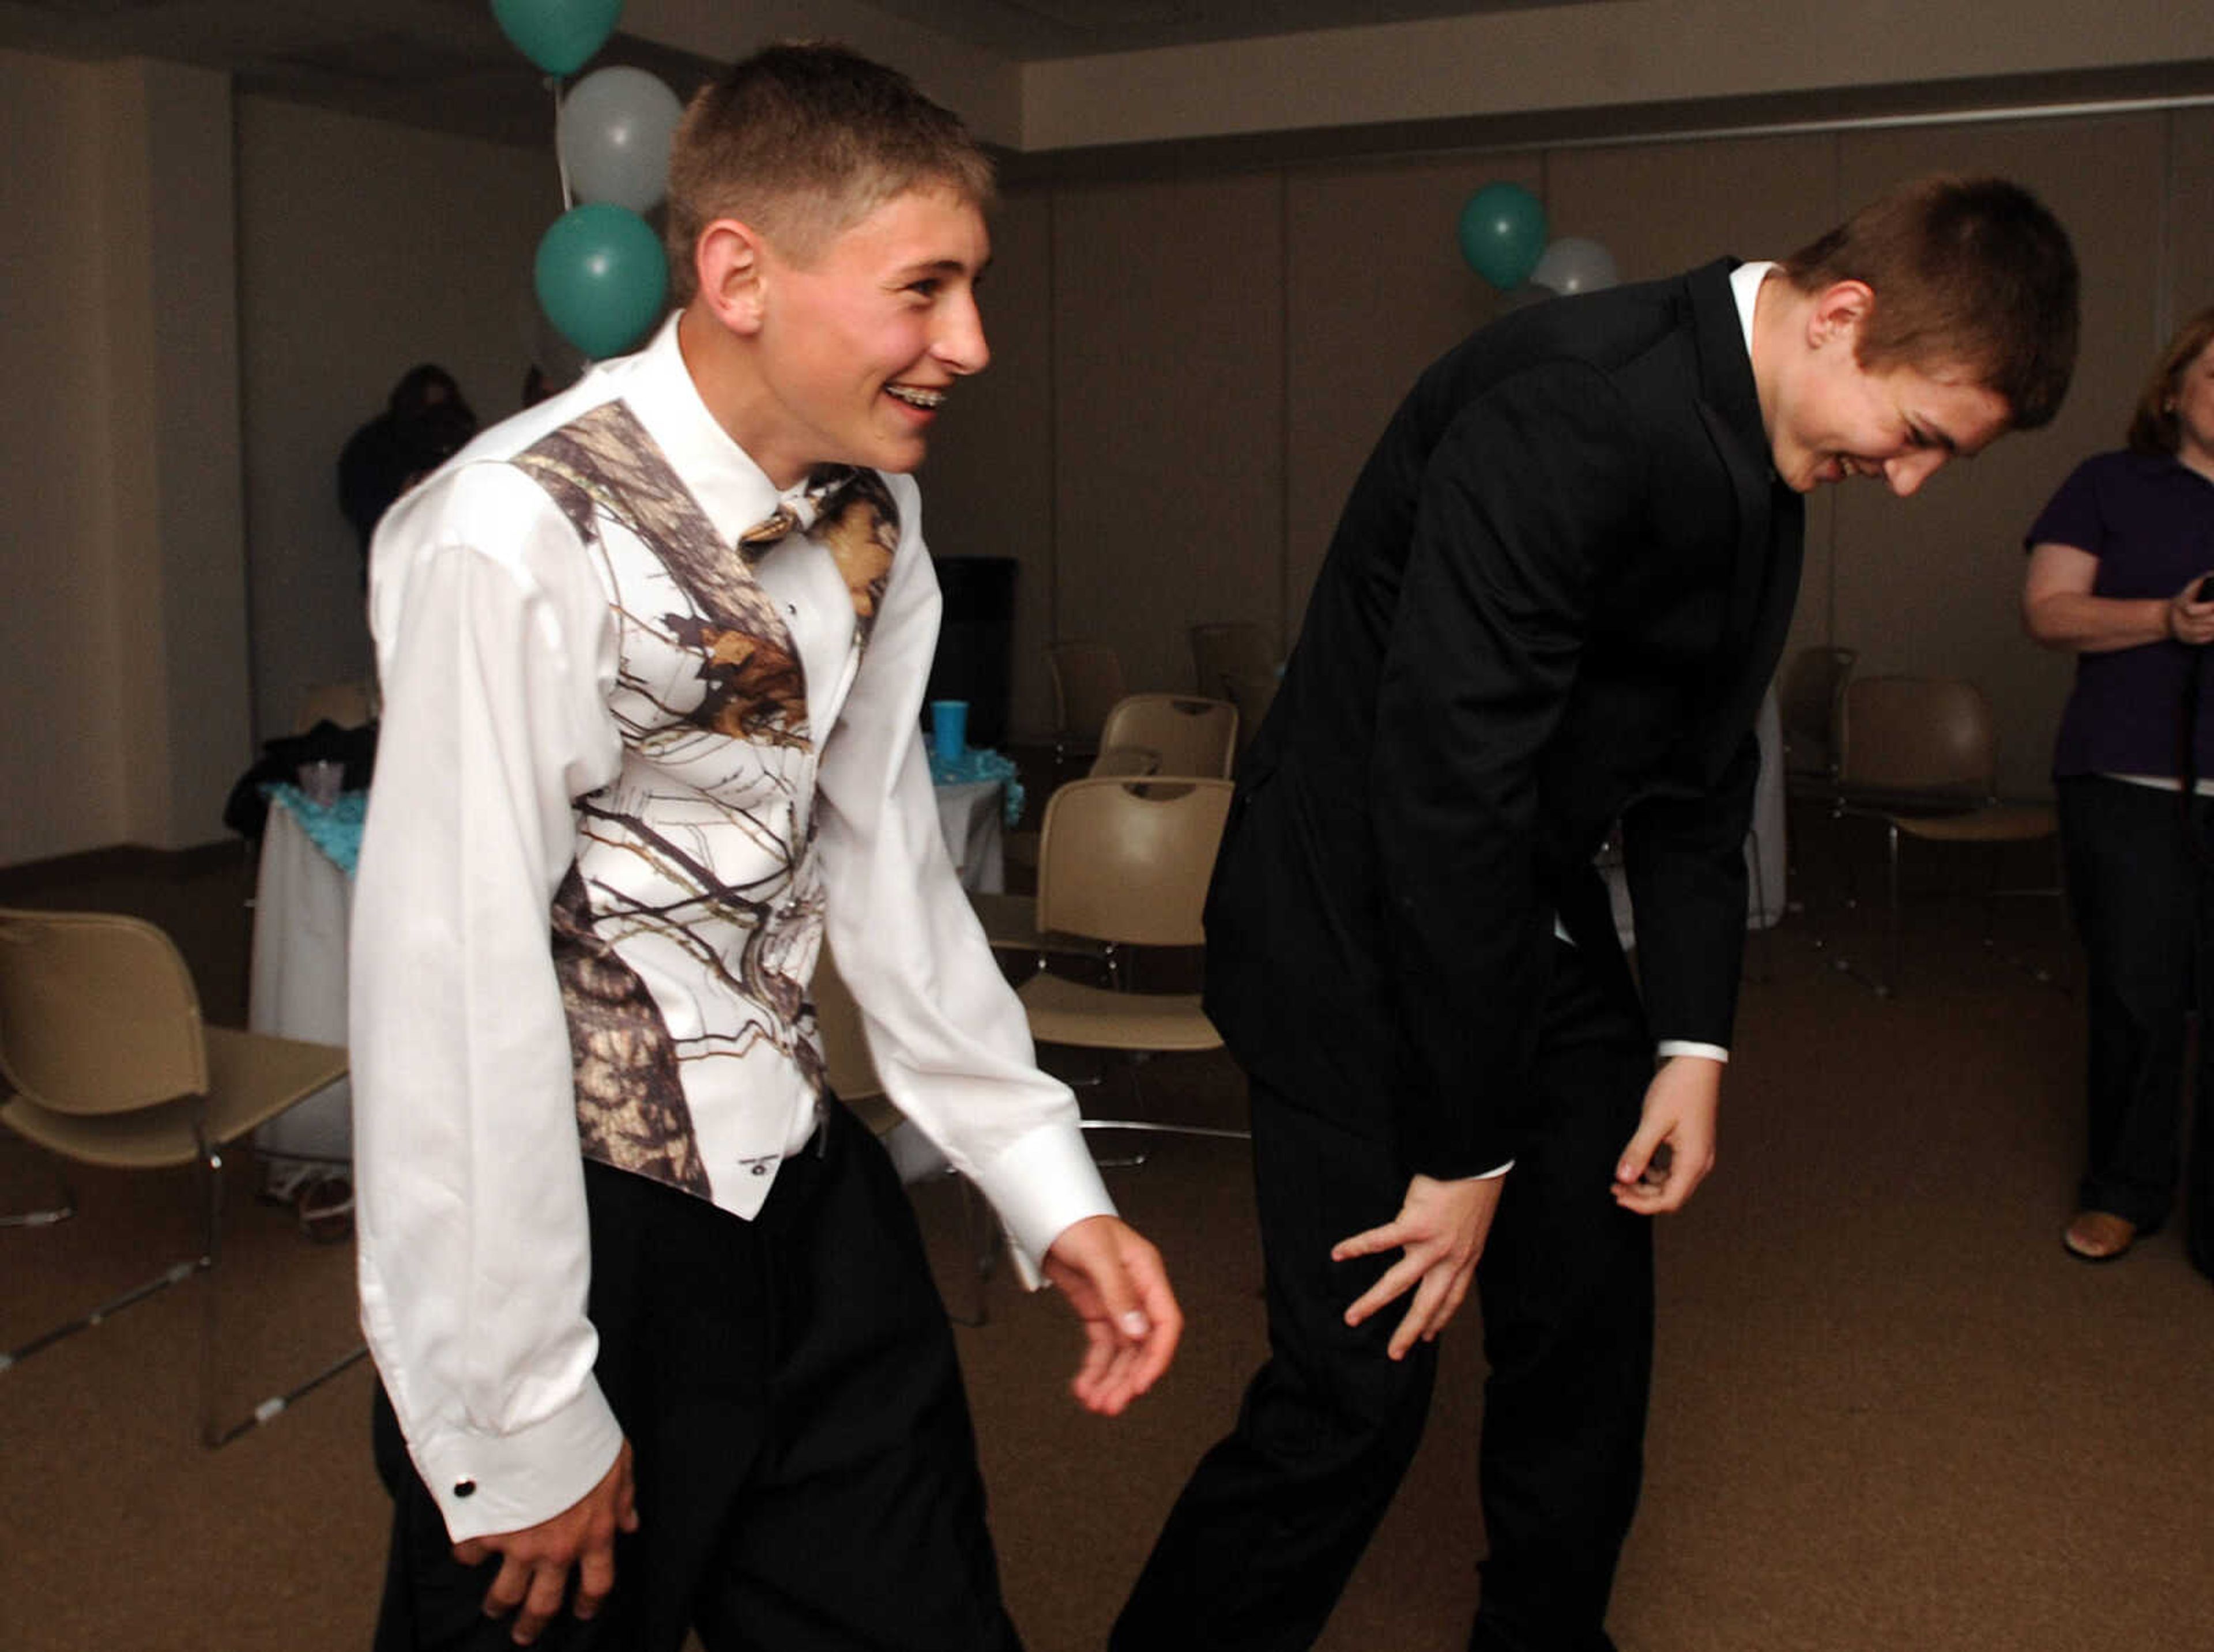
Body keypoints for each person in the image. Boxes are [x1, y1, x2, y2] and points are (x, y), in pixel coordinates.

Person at [1112, 176, 2079, 1652]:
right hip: (1353, 922)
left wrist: (1691, 1042)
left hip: (1519, 912)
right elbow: (1445, 796)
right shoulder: (1569, 404)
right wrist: (1464, 1146)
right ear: (1840, 317)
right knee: (1355, 1394)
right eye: (1919, 437)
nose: (1906, 482)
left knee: (1587, 1337)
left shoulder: (1775, 436)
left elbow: (1696, 767)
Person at [351, 43, 1181, 1652]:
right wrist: (517, 1412)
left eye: (974, 288)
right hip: (583, 1230)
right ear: (740, 271)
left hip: (804, 1188)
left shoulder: (880, 518)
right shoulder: (509, 532)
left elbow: (881, 864)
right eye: (925, 290)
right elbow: (445, 994)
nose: (972, 343)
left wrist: (1042, 1179)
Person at [2021, 305, 2214, 1276]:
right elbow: (2048, 612)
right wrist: (2165, 621)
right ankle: (2124, 1190)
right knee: (2140, 991)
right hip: (2129, 782)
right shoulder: (2109, 484)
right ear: (2172, 390)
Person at [338, 363, 479, 562]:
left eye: (444, 411)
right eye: (426, 411)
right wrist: (411, 490)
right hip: (398, 562)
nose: (437, 424)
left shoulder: (463, 441)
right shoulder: (373, 447)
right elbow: (361, 507)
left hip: (455, 561)